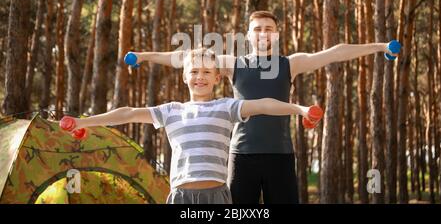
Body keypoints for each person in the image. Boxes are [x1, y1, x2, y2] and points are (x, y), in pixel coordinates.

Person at [131, 11, 400, 204]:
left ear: (276, 34)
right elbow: (183, 57)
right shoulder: (233, 64)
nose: (263, 33)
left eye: (268, 29)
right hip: (241, 157)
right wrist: (144, 56)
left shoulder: (289, 64)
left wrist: (380, 47)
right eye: (257, 29)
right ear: (248, 35)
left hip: (280, 155)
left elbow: (334, 52)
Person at [59, 48, 320, 204]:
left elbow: (264, 104)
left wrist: (301, 109)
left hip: (217, 196)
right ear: (185, 76)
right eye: (194, 71)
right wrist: (84, 122)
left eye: (207, 72)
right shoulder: (171, 111)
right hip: (181, 197)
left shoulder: (226, 107)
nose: (200, 77)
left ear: (218, 77)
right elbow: (127, 113)